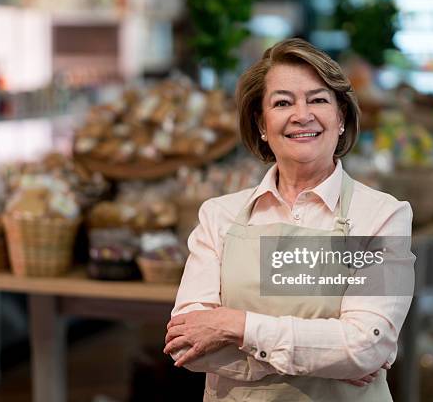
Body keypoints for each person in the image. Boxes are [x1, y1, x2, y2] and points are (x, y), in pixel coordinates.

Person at [163, 38, 415, 401]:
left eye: (318, 99)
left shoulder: (381, 215)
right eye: (282, 102)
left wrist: (235, 326)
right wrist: (330, 355)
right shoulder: (218, 216)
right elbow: (187, 344)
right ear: (262, 124)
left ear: (341, 116)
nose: (302, 115)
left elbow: (364, 348)